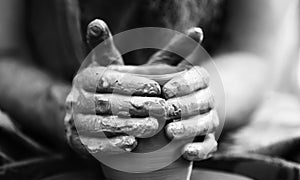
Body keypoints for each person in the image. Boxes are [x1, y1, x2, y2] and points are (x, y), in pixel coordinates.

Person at [0, 0, 295, 160]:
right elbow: (5, 53)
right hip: (49, 112)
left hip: (207, 125)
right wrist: (62, 106)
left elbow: (250, 51)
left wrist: (199, 100)